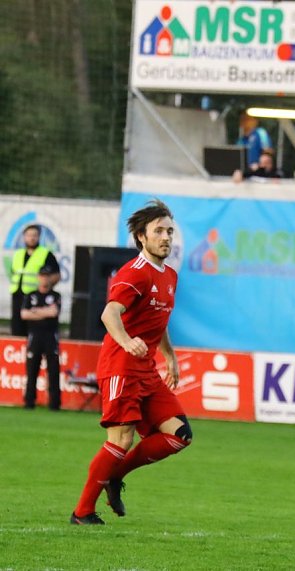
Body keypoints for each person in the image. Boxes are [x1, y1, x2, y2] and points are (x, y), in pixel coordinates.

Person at [70, 199, 192, 525]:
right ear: (142, 237)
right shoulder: (133, 273)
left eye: (169, 231)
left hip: (147, 369)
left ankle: (114, 474)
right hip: (120, 366)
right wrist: (127, 341)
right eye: (159, 231)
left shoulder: (170, 275)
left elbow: (158, 319)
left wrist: (170, 357)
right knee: (121, 440)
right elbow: (109, 313)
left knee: (179, 435)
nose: (166, 237)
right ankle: (82, 512)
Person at [21, 266, 62, 410]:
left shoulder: (56, 295)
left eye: (47, 276)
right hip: (35, 336)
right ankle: (29, 402)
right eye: (42, 275)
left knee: (53, 372)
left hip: (50, 337)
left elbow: (54, 312)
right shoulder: (31, 295)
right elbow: (24, 314)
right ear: (38, 277)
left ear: (50, 278)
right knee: (32, 371)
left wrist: (35, 311)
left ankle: (54, 404)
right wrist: (44, 311)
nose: (44, 278)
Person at [9, 224, 60, 336]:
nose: (31, 238)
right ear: (24, 237)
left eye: (34, 235)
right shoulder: (18, 254)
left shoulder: (45, 254)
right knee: (17, 327)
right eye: (29, 235)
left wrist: (45, 287)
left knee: (33, 328)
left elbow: (56, 275)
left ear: (39, 237)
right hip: (17, 295)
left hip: (34, 297)